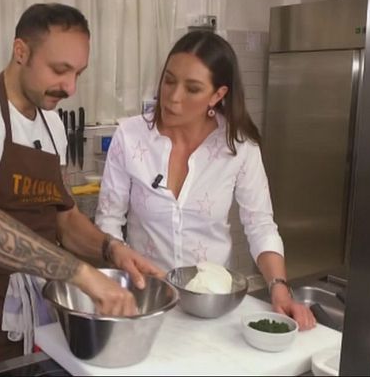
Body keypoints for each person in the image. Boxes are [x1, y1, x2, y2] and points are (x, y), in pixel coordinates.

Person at [0, 3, 163, 372]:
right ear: (21, 51)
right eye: (59, 69)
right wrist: (81, 274)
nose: (70, 87)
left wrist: (111, 249)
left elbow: (64, 219)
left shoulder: (52, 124)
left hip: (48, 305)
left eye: (78, 73)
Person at [94, 30, 317, 330]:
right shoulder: (130, 137)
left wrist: (279, 288)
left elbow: (260, 225)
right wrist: (120, 263)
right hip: (145, 302)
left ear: (217, 95)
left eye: (193, 88)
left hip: (213, 307)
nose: (173, 97)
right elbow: (108, 219)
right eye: (169, 80)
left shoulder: (239, 147)